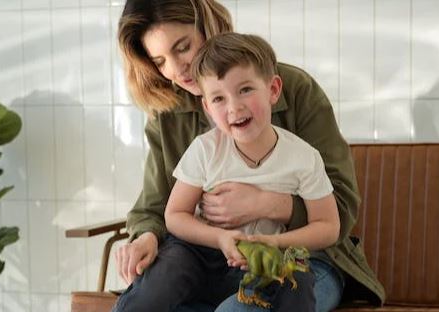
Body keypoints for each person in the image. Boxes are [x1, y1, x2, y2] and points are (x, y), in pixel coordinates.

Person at [113, 0, 385, 311]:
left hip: (303, 259)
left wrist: (266, 204)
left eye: (183, 47)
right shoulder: (169, 114)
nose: (175, 70)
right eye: (160, 61)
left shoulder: (296, 93)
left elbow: (340, 210)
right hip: (210, 260)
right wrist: (146, 237)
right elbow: (157, 206)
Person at [160, 32, 341, 311]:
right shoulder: (206, 150)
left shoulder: (303, 157)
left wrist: (274, 242)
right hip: (219, 266)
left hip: (280, 268)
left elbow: (329, 227)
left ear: (273, 90)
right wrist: (220, 238)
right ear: (207, 108)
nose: (235, 107)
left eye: (245, 90)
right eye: (219, 98)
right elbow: (175, 215)